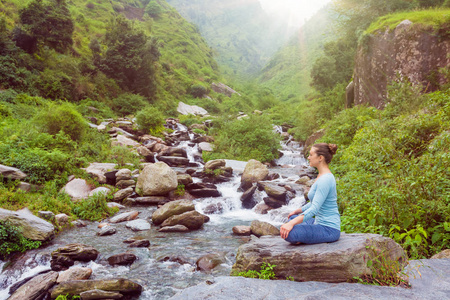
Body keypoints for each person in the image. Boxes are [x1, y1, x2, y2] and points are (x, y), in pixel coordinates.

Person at [280, 143, 340, 244]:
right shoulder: (321, 175)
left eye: (311, 155)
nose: (308, 157)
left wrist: (291, 224)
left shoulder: (325, 179)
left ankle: (302, 237)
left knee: (289, 233)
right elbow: (313, 202)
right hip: (318, 223)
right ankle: (304, 236)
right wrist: (297, 211)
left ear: (320, 157)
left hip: (329, 229)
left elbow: (314, 209)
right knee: (292, 218)